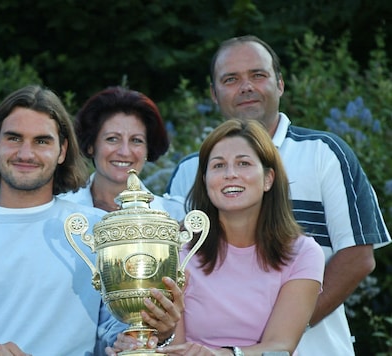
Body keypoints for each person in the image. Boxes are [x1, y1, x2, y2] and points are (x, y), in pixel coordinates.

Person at [0, 85, 183, 355]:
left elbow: (115, 331)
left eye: (42, 141)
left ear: (62, 150)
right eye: (14, 138)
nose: (26, 153)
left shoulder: (99, 230)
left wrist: (152, 332)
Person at [166, 35, 391, 355]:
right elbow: (178, 269)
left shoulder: (325, 154)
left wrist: (278, 328)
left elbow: (357, 258)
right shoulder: (189, 171)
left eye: (258, 75)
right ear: (213, 95)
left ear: (280, 84)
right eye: (231, 79)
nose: (246, 87)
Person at [115, 118, 322, 356]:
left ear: (268, 179)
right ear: (205, 180)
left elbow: (280, 346)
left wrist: (225, 355)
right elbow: (175, 346)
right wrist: (154, 340)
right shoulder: (177, 248)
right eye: (218, 165)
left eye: (243, 163)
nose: (230, 174)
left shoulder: (303, 253)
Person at [60, 86, 184, 220]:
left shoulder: (175, 215)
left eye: (136, 140)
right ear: (91, 145)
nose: (124, 152)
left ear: (148, 149)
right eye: (112, 139)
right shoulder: (60, 213)